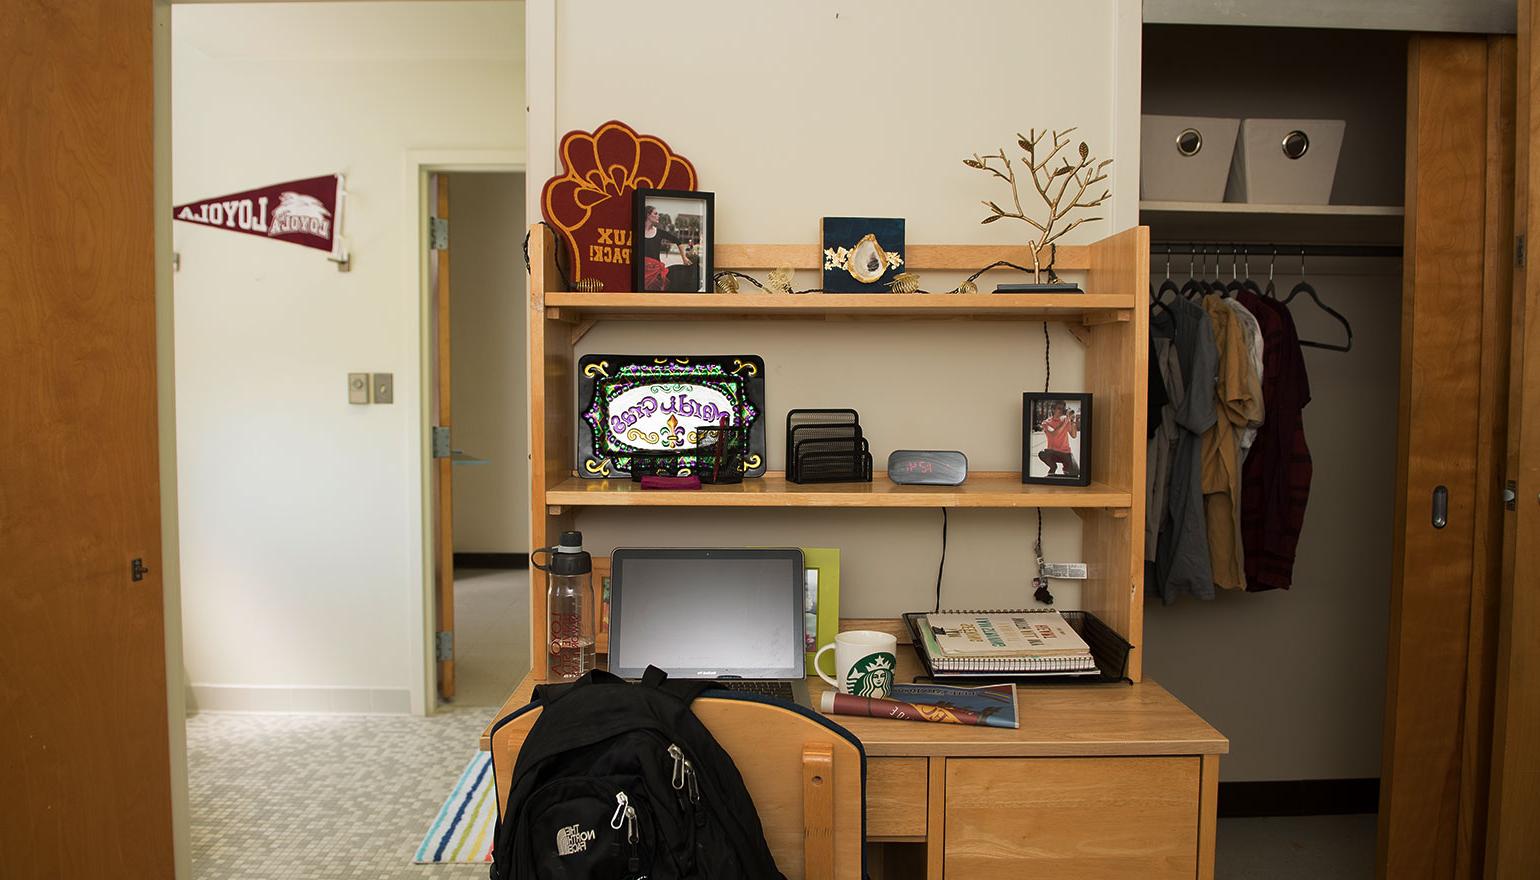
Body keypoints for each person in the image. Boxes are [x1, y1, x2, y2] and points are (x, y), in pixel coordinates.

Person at [640, 206, 694, 291]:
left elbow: (678, 241)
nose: (658, 216)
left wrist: (684, 258)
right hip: (642, 270)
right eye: (655, 213)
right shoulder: (638, 232)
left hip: (655, 273)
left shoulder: (660, 232)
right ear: (648, 215)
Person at [1037, 402, 1080, 476]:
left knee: (1075, 473)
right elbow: (1054, 433)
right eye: (1059, 408)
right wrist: (1065, 422)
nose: (1061, 410)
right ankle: (1053, 467)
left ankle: (1066, 468)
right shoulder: (1046, 422)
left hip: (1066, 453)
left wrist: (1073, 421)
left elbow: (1073, 435)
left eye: (1063, 409)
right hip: (1052, 452)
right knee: (1042, 453)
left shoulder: (1065, 419)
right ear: (1053, 409)